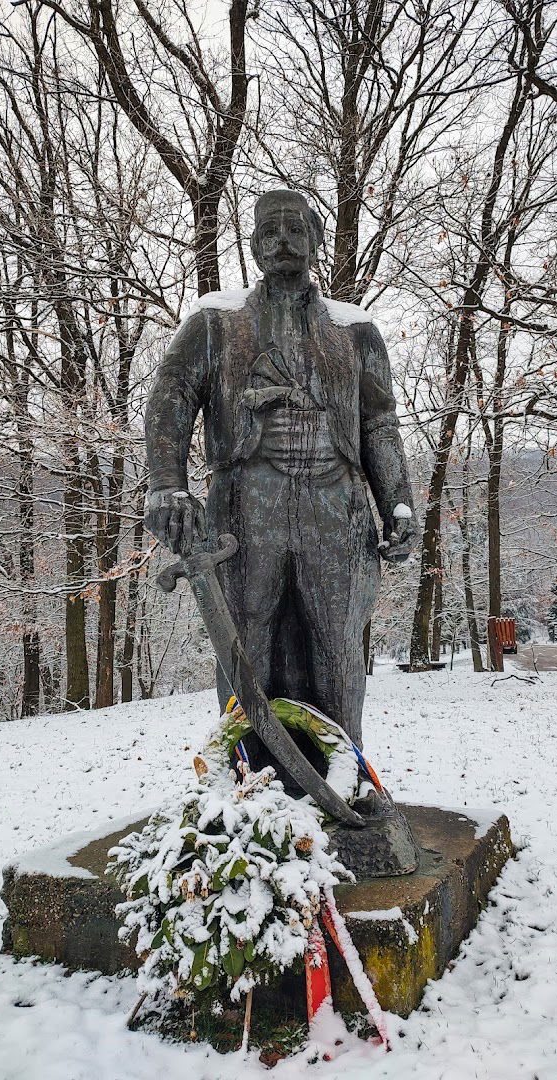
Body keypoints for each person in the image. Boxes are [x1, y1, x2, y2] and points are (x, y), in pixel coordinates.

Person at [145, 189, 417, 750]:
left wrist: (397, 502)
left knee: (338, 642)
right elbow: (170, 396)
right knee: (245, 638)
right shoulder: (215, 325)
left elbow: (379, 423)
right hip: (246, 506)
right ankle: (246, 776)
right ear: (253, 246)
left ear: (316, 241)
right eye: (270, 231)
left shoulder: (355, 331)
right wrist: (167, 485)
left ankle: (346, 773)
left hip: (336, 505)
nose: (284, 241)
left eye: (296, 229)